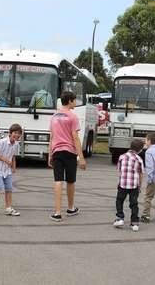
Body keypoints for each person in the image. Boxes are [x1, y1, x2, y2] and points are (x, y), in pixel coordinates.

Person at [48, 91, 86, 222]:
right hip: (69, 152)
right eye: (75, 100)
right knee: (70, 180)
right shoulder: (73, 117)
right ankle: (70, 208)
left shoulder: (54, 116)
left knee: (58, 180)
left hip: (56, 151)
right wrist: (81, 157)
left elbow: (51, 137)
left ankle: (57, 213)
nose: (75, 103)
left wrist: (50, 155)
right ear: (70, 101)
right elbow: (75, 137)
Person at [0, 123, 22, 216]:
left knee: (9, 189)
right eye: (15, 132)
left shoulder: (16, 144)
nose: (17, 135)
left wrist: (14, 167)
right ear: (10, 133)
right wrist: (6, 160)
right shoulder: (1, 142)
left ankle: (8, 208)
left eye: (19, 133)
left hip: (7, 170)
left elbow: (13, 156)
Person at [113, 139, 144, 231]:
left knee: (119, 201)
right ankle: (134, 223)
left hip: (122, 184)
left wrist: (120, 181)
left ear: (130, 146)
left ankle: (120, 218)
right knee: (134, 204)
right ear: (140, 150)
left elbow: (120, 170)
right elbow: (141, 173)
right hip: (134, 185)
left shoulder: (121, 157)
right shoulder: (139, 159)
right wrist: (140, 186)